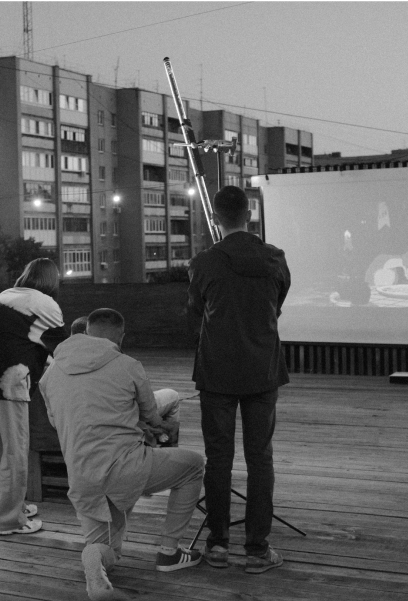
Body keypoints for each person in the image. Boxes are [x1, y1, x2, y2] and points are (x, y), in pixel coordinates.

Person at [40, 308, 204, 601]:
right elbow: (152, 416)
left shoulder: (50, 374)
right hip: (127, 468)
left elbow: (56, 421)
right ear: (121, 337)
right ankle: (169, 552)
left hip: (82, 476)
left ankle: (94, 564)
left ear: (86, 332)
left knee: (108, 552)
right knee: (193, 465)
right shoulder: (128, 365)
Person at [187, 185, 290, 574]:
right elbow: (277, 304)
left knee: (218, 458)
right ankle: (257, 550)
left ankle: (217, 545)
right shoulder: (274, 258)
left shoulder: (204, 263)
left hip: (217, 371)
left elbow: (195, 309)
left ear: (215, 218)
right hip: (262, 369)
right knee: (260, 458)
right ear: (249, 215)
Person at [0, 258, 67, 535]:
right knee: (14, 451)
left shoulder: (5, 295)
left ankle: (7, 507)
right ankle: (9, 520)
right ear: (51, 280)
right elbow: (64, 350)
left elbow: (12, 338)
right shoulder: (47, 304)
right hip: (8, 380)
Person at [71, 314, 181, 445]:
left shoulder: (59, 365)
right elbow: (146, 408)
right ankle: (167, 442)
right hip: (120, 423)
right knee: (172, 396)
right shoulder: (122, 363)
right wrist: (157, 425)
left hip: (80, 430)